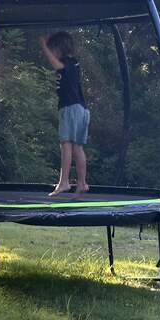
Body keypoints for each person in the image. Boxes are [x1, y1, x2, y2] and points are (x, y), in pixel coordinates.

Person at [39, 32, 90, 198]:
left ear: (59, 48)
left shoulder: (68, 62)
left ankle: (64, 182)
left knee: (66, 145)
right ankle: (82, 183)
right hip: (80, 109)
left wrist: (43, 46)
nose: (52, 53)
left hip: (71, 108)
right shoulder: (74, 63)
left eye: (53, 49)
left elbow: (56, 64)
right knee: (77, 147)